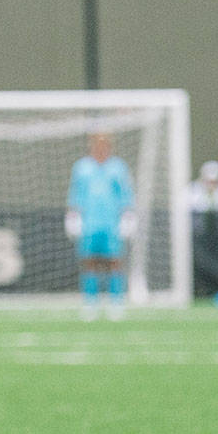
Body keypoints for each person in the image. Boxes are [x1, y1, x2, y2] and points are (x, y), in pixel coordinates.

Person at [65, 133, 136, 320]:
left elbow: (125, 193)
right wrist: (73, 215)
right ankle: (91, 302)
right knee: (90, 261)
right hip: (90, 222)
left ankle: (116, 301)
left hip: (111, 222)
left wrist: (127, 215)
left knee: (115, 261)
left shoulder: (118, 167)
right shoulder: (82, 167)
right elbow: (76, 192)